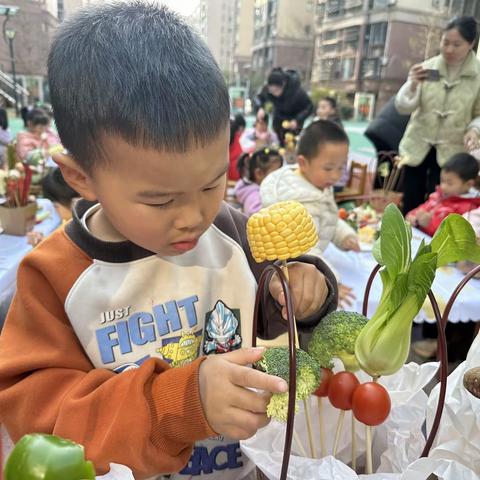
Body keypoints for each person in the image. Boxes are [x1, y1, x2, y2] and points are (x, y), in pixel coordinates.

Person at [0, 4, 338, 480]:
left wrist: (306, 289)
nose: (194, 217)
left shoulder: (230, 233)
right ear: (81, 177)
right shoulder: (53, 277)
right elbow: (43, 424)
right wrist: (181, 403)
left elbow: (278, 299)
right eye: (160, 202)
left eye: (211, 184)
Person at [260, 120, 359, 307]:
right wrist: (331, 280)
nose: (336, 176)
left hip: (315, 258)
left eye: (341, 167)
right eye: (329, 168)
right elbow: (305, 249)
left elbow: (329, 216)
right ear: (303, 163)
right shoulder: (298, 202)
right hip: (294, 268)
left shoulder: (317, 183)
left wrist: (344, 235)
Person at [395, 16, 480, 215]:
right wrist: (412, 84)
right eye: (445, 42)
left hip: (452, 153)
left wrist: (474, 130)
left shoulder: (478, 77)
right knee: (411, 202)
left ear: (471, 44)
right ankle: (407, 241)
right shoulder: (427, 68)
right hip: (418, 147)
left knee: (443, 207)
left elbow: (478, 114)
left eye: (456, 44)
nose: (449, 49)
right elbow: (403, 107)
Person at [406, 152, 480, 236]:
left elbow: (452, 237)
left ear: (468, 184)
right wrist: (412, 217)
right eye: (442, 181)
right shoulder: (438, 196)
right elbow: (420, 209)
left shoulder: (468, 209)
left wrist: (429, 224)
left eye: (449, 183)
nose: (443, 186)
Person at [255, 67, 313, 146]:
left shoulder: (297, 92)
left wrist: (297, 120)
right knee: (277, 143)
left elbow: (309, 107)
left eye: (276, 91)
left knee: (291, 144)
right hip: (278, 119)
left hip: (294, 120)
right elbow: (259, 98)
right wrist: (260, 108)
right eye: (271, 91)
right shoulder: (268, 89)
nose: (274, 94)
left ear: (283, 84)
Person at [27, 168, 79, 247]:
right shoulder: (70, 223)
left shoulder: (78, 232)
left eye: (56, 206)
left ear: (75, 202)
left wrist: (43, 246)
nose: (56, 211)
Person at [234, 147, 283, 217]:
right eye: (276, 174)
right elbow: (257, 216)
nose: (280, 177)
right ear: (259, 174)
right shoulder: (253, 195)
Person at [228, 113, 246, 181]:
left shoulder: (227, 137)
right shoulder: (239, 139)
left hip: (226, 173)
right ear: (241, 128)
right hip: (236, 174)